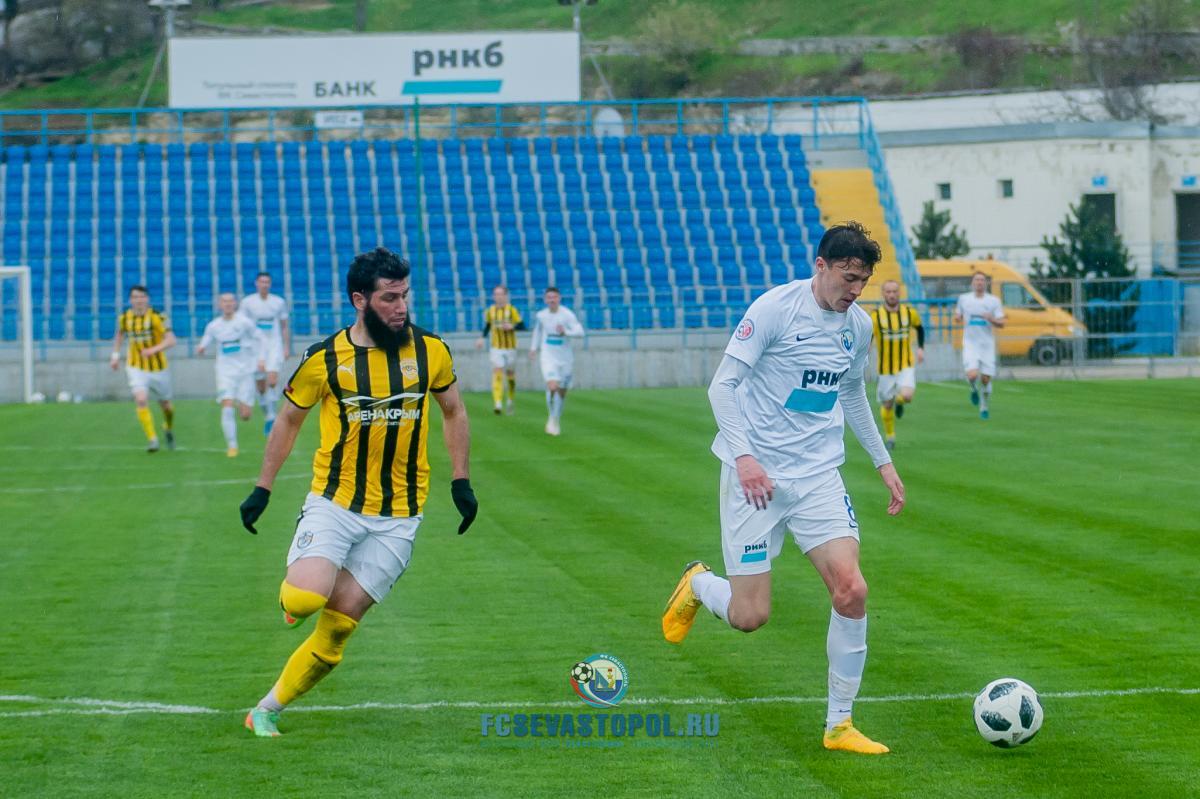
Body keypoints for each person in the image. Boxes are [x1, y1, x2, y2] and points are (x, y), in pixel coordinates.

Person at [661, 222, 905, 755]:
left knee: (852, 589)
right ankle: (699, 584)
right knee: (750, 617)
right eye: (848, 278)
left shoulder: (858, 327)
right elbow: (721, 387)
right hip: (757, 479)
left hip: (818, 475)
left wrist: (883, 462)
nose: (855, 290)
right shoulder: (774, 309)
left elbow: (852, 394)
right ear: (820, 266)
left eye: (863, 281)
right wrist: (745, 457)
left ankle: (839, 725)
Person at [237, 247, 479, 738]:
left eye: (404, 296)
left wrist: (461, 480)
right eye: (389, 298)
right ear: (359, 299)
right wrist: (262, 488)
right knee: (305, 598)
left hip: (399, 515)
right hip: (336, 502)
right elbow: (288, 420)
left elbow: (453, 411)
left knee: (338, 629)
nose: (401, 307)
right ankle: (293, 601)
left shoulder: (431, 350)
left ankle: (265, 709)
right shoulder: (325, 358)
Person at [196, 293, 266, 458]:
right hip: (225, 372)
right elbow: (206, 339)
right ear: (219, 305)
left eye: (230, 301)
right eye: (224, 301)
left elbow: (261, 338)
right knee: (227, 406)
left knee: (245, 415)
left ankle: (242, 403)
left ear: (235, 304)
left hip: (245, 371)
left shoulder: (244, 322)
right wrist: (201, 347)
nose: (227, 304)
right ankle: (232, 446)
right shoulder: (214, 326)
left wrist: (261, 359)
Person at [109, 285, 177, 453]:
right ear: (130, 300)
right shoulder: (125, 317)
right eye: (135, 297)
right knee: (140, 399)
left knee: (167, 407)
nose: (138, 300)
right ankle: (152, 439)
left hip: (159, 368)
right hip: (136, 366)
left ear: (147, 299)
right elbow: (120, 335)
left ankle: (167, 427)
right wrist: (115, 356)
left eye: (141, 297)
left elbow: (171, 340)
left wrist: (153, 350)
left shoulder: (158, 317)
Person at [869, 279, 924, 450]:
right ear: (883, 294)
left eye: (894, 291)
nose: (892, 295)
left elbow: (919, 328)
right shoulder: (876, 316)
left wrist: (921, 348)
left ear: (899, 293)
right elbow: (868, 337)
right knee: (886, 405)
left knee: (907, 396)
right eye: (888, 291)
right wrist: (865, 352)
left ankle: (899, 401)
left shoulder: (909, 312)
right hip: (885, 369)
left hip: (905, 364)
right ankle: (890, 436)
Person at [239, 272, 291, 434]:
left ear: (270, 284)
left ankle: (272, 417)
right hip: (255, 348)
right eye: (262, 282)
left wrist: (286, 346)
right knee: (261, 387)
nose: (264, 284)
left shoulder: (278, 302)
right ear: (256, 283)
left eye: (267, 282)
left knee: (273, 380)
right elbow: (241, 326)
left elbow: (284, 326)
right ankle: (268, 414)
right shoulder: (247, 302)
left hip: (274, 346)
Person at [529, 287, 584, 436]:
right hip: (548, 356)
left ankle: (555, 419)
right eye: (549, 297)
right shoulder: (541, 315)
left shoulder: (567, 315)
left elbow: (580, 332)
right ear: (545, 300)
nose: (552, 300)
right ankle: (551, 418)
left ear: (559, 298)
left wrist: (566, 332)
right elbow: (537, 332)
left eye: (554, 297)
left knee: (562, 390)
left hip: (565, 358)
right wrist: (533, 348)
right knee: (552, 386)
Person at [953, 272, 1006, 420]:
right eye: (977, 280)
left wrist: (991, 318)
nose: (979, 282)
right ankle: (973, 388)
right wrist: (958, 318)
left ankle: (984, 405)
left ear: (986, 283)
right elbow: (958, 316)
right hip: (970, 343)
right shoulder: (964, 299)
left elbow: (1002, 323)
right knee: (972, 375)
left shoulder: (993, 301)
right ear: (972, 283)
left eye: (982, 280)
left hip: (987, 344)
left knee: (986, 379)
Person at [475, 285, 526, 415]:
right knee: (497, 371)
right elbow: (488, 325)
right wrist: (482, 338)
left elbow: (523, 326)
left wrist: (512, 326)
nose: (498, 297)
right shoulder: (490, 311)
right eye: (496, 294)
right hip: (496, 348)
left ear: (506, 296)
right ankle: (497, 403)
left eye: (500, 294)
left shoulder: (512, 310)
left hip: (510, 348)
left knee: (510, 376)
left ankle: (510, 399)